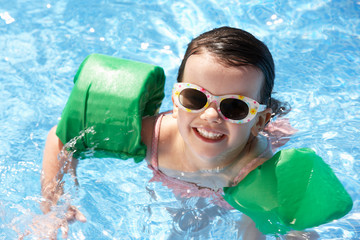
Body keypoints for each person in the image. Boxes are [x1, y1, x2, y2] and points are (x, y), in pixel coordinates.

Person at [40, 27, 339, 238]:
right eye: (195, 98)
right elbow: (62, 137)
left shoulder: (254, 169)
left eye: (234, 107)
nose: (210, 116)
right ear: (176, 99)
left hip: (229, 186)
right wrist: (53, 204)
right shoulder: (156, 137)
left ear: (258, 122)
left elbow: (259, 225)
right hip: (178, 177)